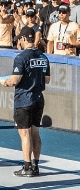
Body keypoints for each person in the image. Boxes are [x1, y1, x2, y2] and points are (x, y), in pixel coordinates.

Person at [1, 26, 50, 177]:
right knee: (35, 132)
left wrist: (5, 82)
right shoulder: (43, 56)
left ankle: (27, 167)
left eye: (19, 40)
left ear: (23, 39)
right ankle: (36, 166)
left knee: (25, 134)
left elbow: (14, 80)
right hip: (38, 98)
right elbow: (47, 80)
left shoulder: (21, 57)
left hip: (24, 99)